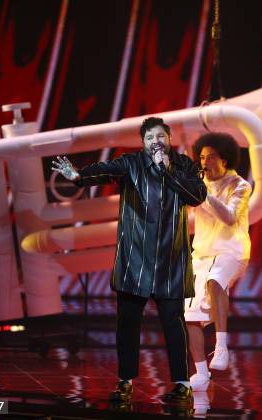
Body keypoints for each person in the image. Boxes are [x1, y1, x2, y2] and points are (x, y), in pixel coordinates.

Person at [51, 117, 207, 405]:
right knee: (127, 325)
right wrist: (77, 176)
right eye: (149, 138)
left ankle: (182, 383)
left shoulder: (184, 165)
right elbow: (103, 170)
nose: (155, 142)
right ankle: (125, 381)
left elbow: (197, 196)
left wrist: (168, 171)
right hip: (135, 261)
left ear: (169, 138)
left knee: (174, 324)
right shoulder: (131, 163)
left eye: (160, 136)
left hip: (170, 262)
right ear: (143, 142)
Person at [184, 132, 251, 391]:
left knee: (215, 280)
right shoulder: (198, 182)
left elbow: (229, 217)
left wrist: (203, 194)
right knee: (189, 316)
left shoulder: (240, 185)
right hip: (201, 253)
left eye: (210, 157)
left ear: (224, 159)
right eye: (201, 157)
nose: (205, 162)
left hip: (231, 251)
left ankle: (221, 348)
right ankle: (201, 373)